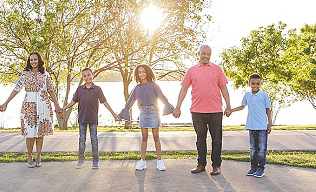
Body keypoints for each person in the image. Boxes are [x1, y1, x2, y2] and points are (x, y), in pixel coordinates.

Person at [171, 45, 232, 176]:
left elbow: (224, 89)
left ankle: (216, 166)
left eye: (208, 54)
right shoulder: (191, 71)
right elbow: (183, 89)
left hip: (215, 111)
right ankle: (201, 164)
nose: (206, 56)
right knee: (200, 140)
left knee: (216, 140)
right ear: (198, 53)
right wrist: (177, 107)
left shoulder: (217, 69)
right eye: (203, 53)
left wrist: (228, 106)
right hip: (197, 111)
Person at [0, 52, 62, 168]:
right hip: (29, 105)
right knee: (30, 133)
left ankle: (38, 155)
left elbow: (51, 90)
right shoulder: (25, 75)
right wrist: (6, 103)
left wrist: (56, 105)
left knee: (40, 132)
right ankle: (29, 155)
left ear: (39, 61)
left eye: (35, 59)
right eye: (31, 60)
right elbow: (16, 89)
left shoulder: (45, 74)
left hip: (43, 104)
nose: (33, 62)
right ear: (29, 61)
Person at [59, 67, 120, 170]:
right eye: (84, 76)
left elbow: (104, 102)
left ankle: (95, 160)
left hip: (93, 119)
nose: (87, 77)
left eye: (89, 75)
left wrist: (113, 114)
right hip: (82, 118)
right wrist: (63, 108)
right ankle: (81, 160)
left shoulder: (97, 89)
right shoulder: (79, 89)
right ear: (82, 78)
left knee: (94, 140)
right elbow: (73, 102)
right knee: (82, 140)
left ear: (93, 75)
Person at [117, 64, 174, 171]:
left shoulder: (153, 85)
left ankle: (159, 161)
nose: (142, 74)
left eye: (144, 72)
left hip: (153, 112)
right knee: (144, 137)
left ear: (148, 72)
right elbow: (129, 102)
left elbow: (162, 97)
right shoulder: (136, 88)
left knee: (156, 136)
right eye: (139, 72)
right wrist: (122, 114)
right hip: (143, 113)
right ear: (137, 75)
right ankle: (142, 161)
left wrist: (171, 108)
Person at [229, 73, 273, 178]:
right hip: (251, 126)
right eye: (253, 83)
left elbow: (268, 110)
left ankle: (260, 169)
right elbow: (242, 106)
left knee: (262, 148)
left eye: (257, 84)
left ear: (260, 84)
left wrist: (269, 124)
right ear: (249, 83)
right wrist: (231, 110)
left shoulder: (264, 96)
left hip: (262, 126)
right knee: (253, 148)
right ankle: (253, 168)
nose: (255, 86)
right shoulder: (247, 95)